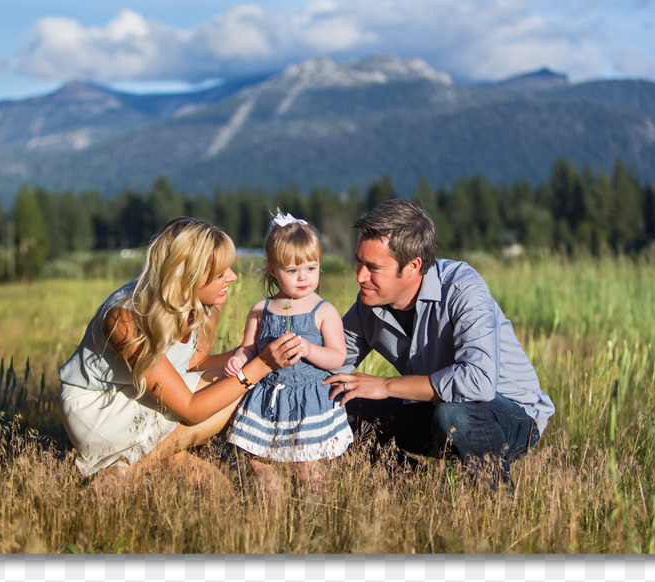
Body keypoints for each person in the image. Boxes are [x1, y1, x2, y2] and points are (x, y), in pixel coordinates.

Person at [58, 217, 303, 490]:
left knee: (219, 488)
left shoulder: (206, 304)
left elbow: (195, 363)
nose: (232, 277)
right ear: (188, 277)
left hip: (144, 394)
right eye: (221, 273)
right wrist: (262, 365)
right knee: (244, 390)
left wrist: (257, 350)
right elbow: (191, 410)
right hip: (103, 408)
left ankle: (146, 464)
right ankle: (129, 474)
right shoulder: (123, 318)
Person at [324, 199, 554, 486]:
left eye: (373, 267)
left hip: (509, 415)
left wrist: (384, 387)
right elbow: (328, 366)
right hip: (433, 410)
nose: (360, 276)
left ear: (412, 266)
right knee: (338, 404)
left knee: (455, 412)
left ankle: (495, 502)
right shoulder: (368, 305)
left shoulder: (462, 288)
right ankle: (412, 490)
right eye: (358, 262)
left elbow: (479, 382)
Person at [224, 211, 353, 491]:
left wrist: (308, 349)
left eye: (311, 268)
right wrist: (238, 358)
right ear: (273, 270)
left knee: (306, 467)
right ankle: (273, 513)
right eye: (292, 271)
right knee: (259, 462)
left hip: (308, 399)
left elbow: (337, 356)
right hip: (267, 397)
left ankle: (311, 517)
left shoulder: (324, 311)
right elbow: (249, 347)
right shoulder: (261, 310)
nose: (303, 277)